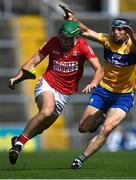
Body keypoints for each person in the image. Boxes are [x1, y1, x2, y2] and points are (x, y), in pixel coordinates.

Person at [8, 20, 104, 165]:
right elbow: (33, 62)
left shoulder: (82, 46)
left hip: (64, 94)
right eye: (63, 37)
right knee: (46, 111)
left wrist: (93, 83)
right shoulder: (53, 42)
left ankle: (18, 139)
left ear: (76, 37)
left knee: (40, 128)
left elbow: (99, 69)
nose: (65, 41)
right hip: (47, 84)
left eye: (68, 39)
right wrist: (17, 76)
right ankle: (18, 145)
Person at [66, 15, 136, 169]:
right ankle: (100, 118)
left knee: (107, 129)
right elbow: (86, 31)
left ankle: (81, 159)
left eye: (120, 29)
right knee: (82, 128)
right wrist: (72, 21)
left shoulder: (132, 46)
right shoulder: (107, 40)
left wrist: (131, 33)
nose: (116, 32)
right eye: (114, 28)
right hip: (103, 91)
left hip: (123, 96)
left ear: (127, 32)